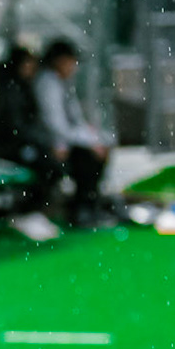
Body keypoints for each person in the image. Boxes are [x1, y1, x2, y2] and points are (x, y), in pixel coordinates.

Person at [0, 45, 61, 240]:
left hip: (13, 145)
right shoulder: (8, 89)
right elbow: (14, 127)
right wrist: (38, 144)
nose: (33, 69)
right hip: (3, 148)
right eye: (29, 64)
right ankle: (26, 213)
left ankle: (31, 213)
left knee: (50, 164)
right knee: (48, 165)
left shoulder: (19, 86)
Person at [35, 39, 111, 227]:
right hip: (46, 143)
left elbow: (76, 119)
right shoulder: (47, 84)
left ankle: (89, 204)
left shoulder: (63, 83)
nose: (74, 67)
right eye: (71, 61)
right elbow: (54, 124)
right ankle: (82, 209)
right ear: (59, 61)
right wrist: (72, 143)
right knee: (86, 157)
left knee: (98, 150)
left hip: (64, 141)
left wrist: (93, 139)